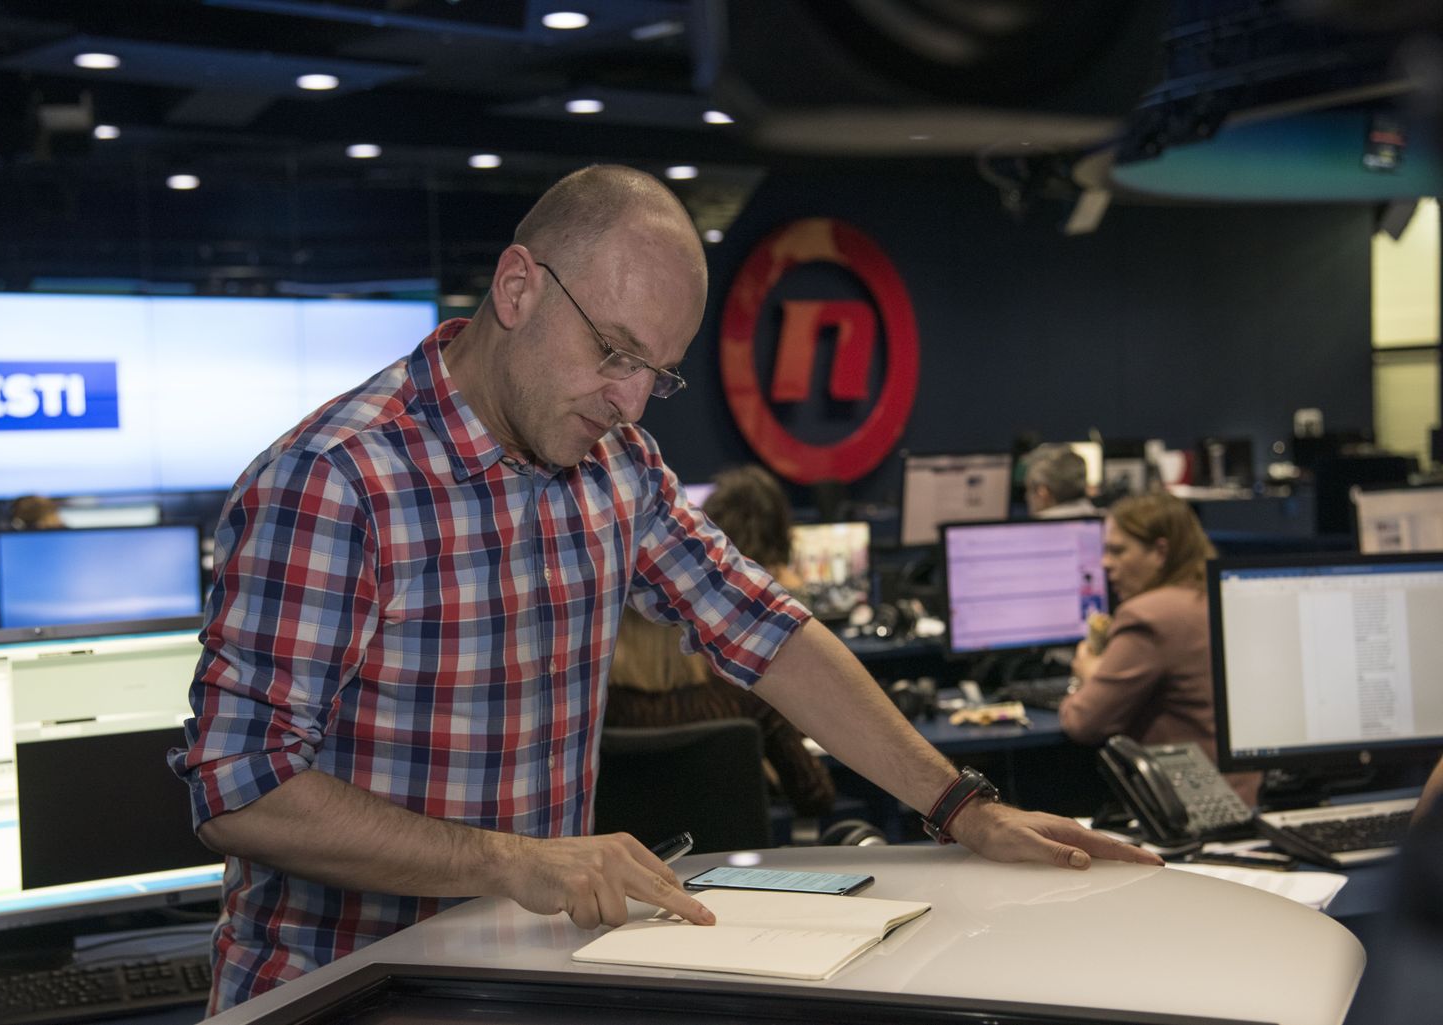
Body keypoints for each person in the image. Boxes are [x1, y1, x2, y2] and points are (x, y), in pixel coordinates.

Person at [170, 164, 1158, 1013]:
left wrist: (961, 803)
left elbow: (767, 632)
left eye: (657, 371)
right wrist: (510, 858)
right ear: (517, 288)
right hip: (342, 992)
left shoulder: (618, 467)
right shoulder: (337, 479)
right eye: (612, 351)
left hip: (518, 980)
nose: (631, 400)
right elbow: (241, 788)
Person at [605, 464, 831, 817]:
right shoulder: (745, 700)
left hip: (624, 853)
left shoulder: (595, 711)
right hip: (735, 853)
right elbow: (816, 797)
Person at [1060, 493, 1260, 806]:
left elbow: (1084, 722)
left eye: (1118, 550)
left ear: (1160, 551)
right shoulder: (1219, 594)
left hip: (1187, 802)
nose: (1105, 563)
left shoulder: (1148, 615)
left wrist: (1088, 676)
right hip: (1245, 789)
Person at [1022, 444, 1097, 518]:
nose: (1026, 497)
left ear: (1042, 493)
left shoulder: (1033, 525)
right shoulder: (1099, 518)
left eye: (1028, 490)